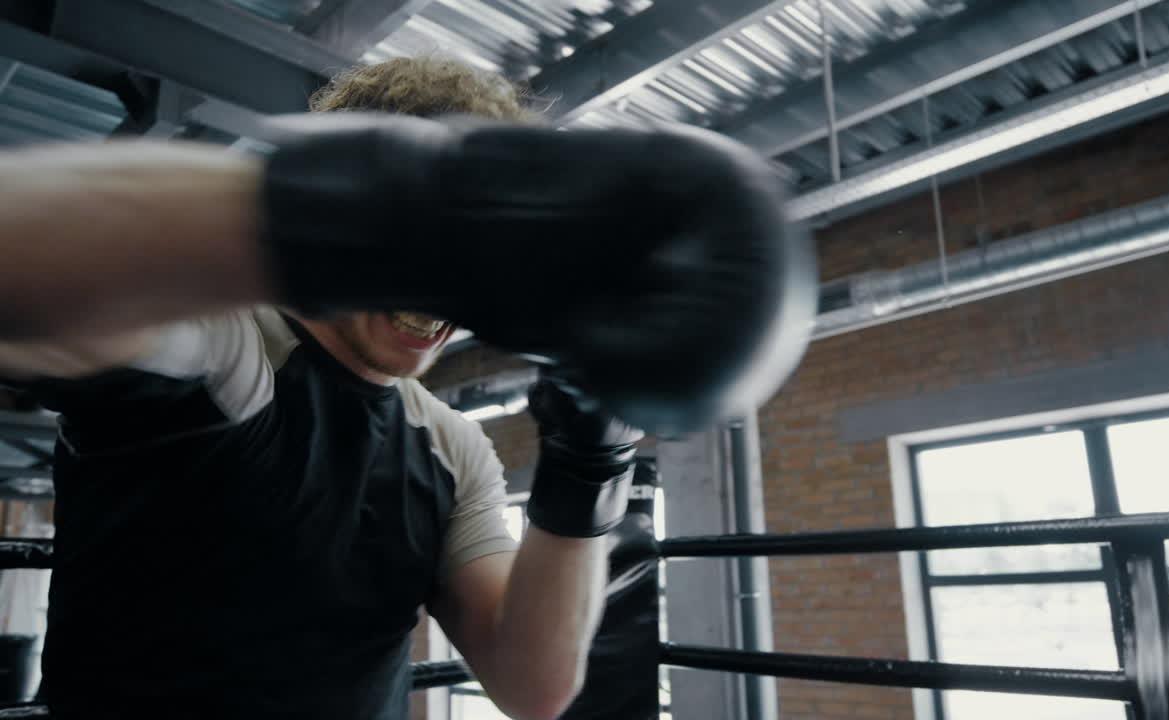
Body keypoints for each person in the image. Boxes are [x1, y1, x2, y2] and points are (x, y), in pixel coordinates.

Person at [0, 53, 812, 719]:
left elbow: (532, 684)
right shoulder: (228, 346)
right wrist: (395, 215)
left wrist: (590, 453)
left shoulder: (451, 446)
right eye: (444, 250)